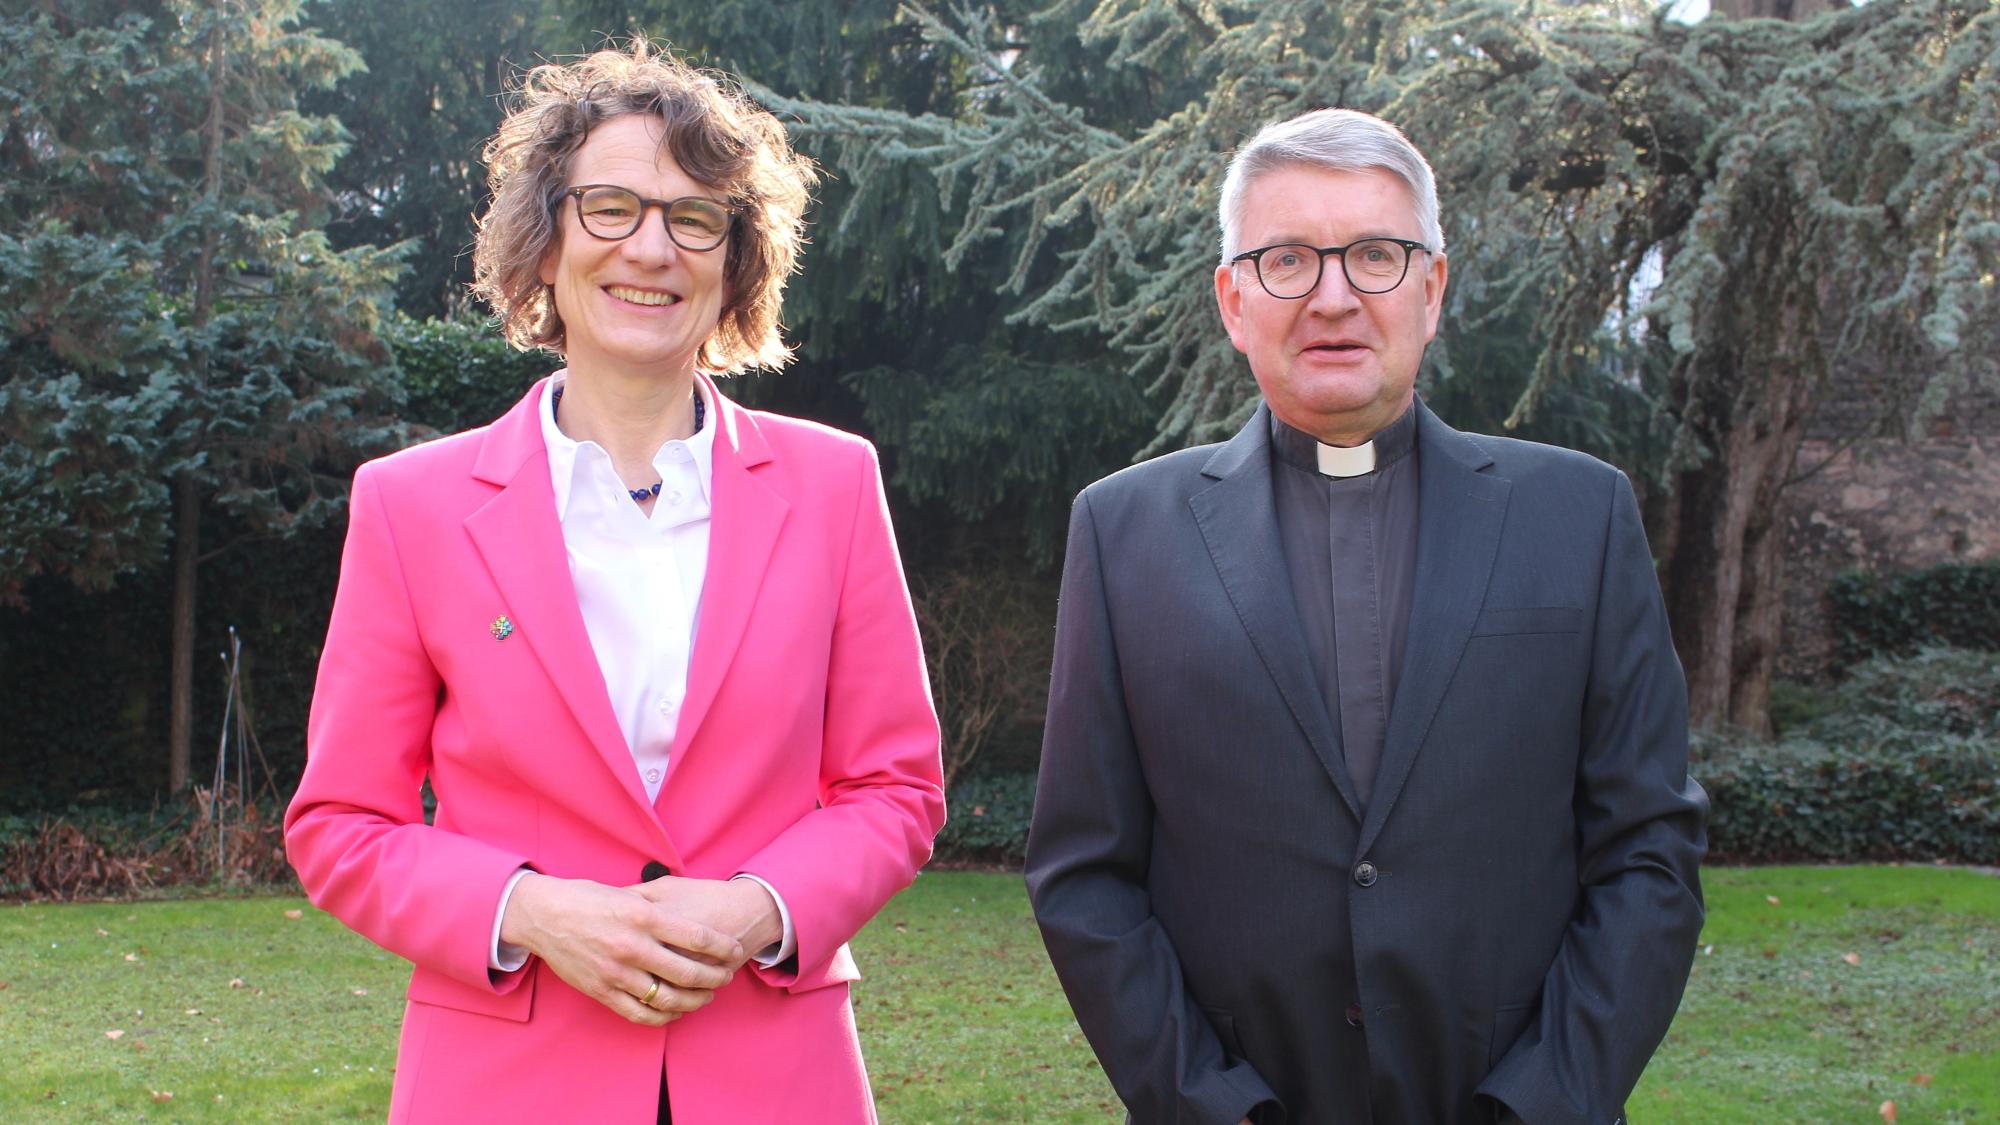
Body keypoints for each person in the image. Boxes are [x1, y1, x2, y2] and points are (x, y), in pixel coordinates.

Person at [284, 43, 945, 1124]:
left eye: (694, 218)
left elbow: (896, 790)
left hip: (774, 1078)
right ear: (544, 244)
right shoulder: (410, 506)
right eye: (609, 207)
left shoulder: (834, 485)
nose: (651, 247)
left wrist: (755, 910)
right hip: (499, 1086)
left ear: (735, 264)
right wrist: (532, 911)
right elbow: (342, 822)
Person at [1025, 107, 1707, 1125]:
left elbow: (1647, 850)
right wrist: (1213, 1107)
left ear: (1431, 290)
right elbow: (1084, 873)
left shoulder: (1578, 515)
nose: (1333, 298)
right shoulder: (1122, 532)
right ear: (1232, 298)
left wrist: (1535, 1105)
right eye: (1288, 259)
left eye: (1376, 257)